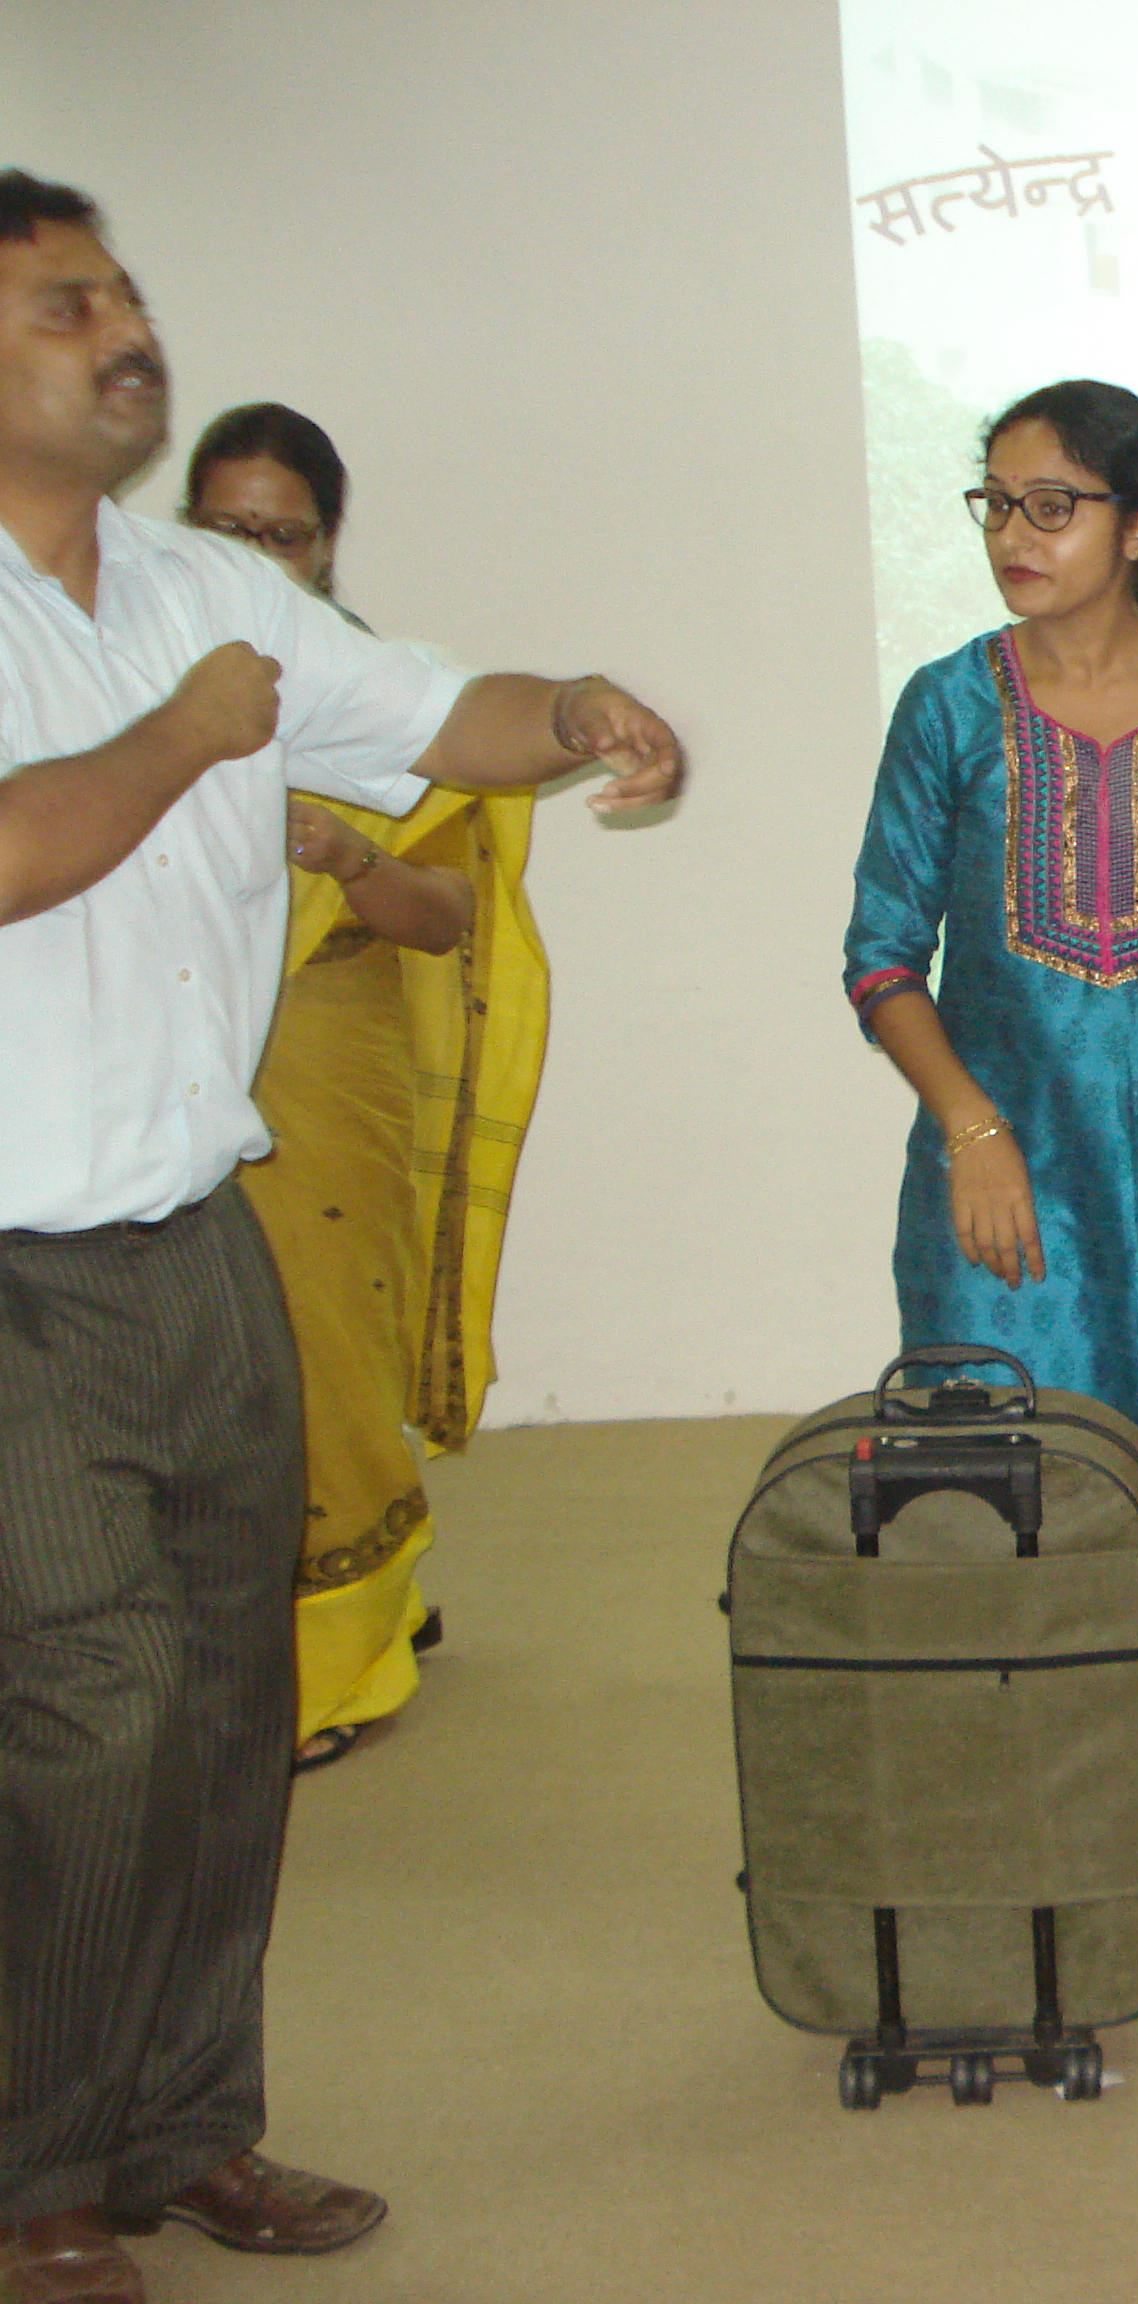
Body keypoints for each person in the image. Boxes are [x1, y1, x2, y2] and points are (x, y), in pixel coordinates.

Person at [0, 173, 683, 2304]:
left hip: (197, 1228)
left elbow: (427, 713)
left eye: (124, 292)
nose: (125, 329)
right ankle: (35, 2174)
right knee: (89, 1717)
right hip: (17, 1266)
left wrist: (571, 711)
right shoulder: (164, 658)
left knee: (228, 1698)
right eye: (65, 303)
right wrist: (184, 738)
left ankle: (187, 2125)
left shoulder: (206, 584)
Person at [842, 378, 1138, 1984]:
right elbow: (881, 955)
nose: (1014, 536)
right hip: (1004, 1200)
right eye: (997, 504)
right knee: (1000, 1511)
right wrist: (972, 1131)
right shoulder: (949, 708)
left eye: (1053, 505)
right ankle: (1017, 1833)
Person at [183, 403, 554, 1772]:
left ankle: (340, 1660)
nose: (253, 560)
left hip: (327, 1055)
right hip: (174, 1062)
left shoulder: (371, 698)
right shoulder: (139, 693)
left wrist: (345, 856)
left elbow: (446, 920)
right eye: (223, 530)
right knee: (205, 1372)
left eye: (281, 535)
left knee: (323, 1350)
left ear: (328, 544)